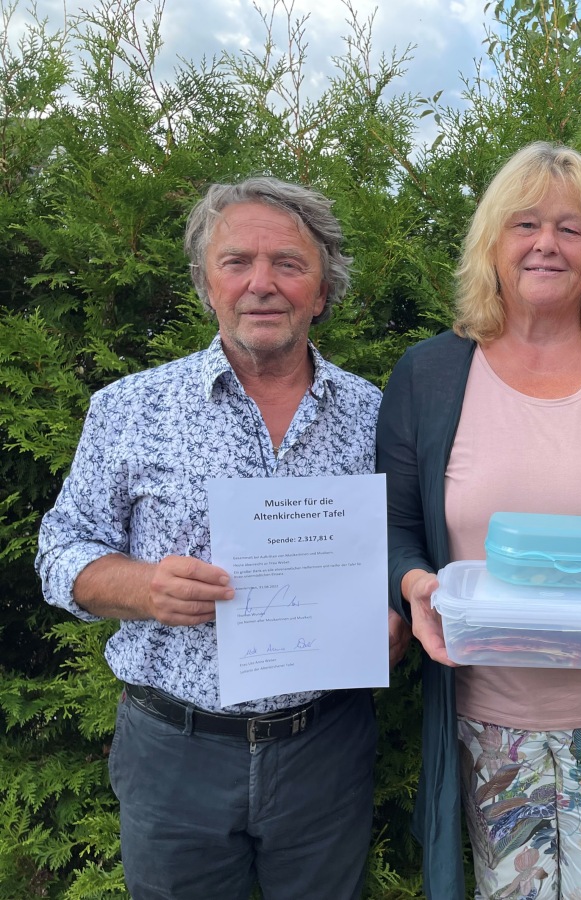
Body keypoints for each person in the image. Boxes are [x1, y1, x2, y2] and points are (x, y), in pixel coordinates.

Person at [36, 176, 410, 900]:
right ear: (207, 285)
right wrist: (142, 589)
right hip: (175, 751)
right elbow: (60, 551)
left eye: (289, 265)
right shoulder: (131, 408)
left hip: (324, 747)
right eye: (237, 262)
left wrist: (394, 615)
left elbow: (408, 548)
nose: (261, 284)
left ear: (322, 290)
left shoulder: (378, 416)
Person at [377, 141, 581, 899]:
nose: (546, 244)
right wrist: (413, 582)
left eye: (572, 227)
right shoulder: (430, 375)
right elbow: (393, 524)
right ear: (492, 243)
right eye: (524, 223)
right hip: (489, 715)